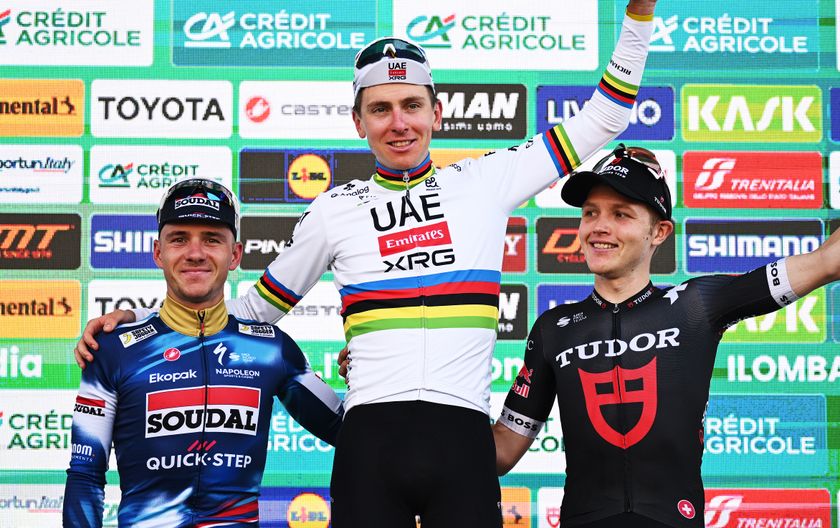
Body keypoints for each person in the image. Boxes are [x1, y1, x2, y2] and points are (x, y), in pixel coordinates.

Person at [74, 3, 658, 526]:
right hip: (368, 444)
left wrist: (636, 17)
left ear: (437, 113)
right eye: (380, 109)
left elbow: (605, 118)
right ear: (359, 123)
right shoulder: (334, 210)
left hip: (461, 438)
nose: (397, 122)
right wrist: (141, 324)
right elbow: (251, 314)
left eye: (411, 106)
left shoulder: (487, 180)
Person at [491, 144, 840, 528]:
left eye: (621, 214)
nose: (599, 227)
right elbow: (503, 450)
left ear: (659, 231)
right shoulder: (554, 327)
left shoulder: (696, 304)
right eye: (590, 213)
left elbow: (825, 261)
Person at [63, 178, 344, 527]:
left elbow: (350, 432)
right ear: (157, 252)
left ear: (235, 255)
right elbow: (85, 477)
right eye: (179, 239)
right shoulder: (112, 350)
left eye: (212, 239)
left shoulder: (271, 348)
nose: (195, 253)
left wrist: (369, 371)